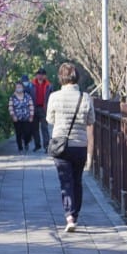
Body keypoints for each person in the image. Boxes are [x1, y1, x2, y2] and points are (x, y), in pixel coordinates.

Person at [46, 62, 95, 232]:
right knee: (77, 180)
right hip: (80, 145)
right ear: (77, 77)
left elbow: (50, 120)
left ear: (61, 77)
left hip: (60, 146)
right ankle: (75, 214)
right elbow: (90, 121)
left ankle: (69, 217)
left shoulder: (54, 96)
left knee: (65, 181)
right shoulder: (85, 97)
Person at [30, 67, 53, 151]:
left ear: (45, 76)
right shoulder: (31, 85)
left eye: (42, 74)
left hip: (44, 108)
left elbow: (51, 97)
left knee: (44, 127)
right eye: (39, 74)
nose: (40, 76)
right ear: (36, 75)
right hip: (34, 107)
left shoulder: (49, 85)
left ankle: (46, 145)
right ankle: (37, 145)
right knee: (34, 127)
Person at [8, 81, 34, 152]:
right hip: (17, 118)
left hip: (26, 117)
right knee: (18, 133)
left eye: (20, 87)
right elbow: (10, 107)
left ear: (23, 88)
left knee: (27, 132)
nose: (19, 88)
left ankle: (26, 142)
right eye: (17, 87)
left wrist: (31, 116)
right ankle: (20, 147)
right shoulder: (12, 97)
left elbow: (31, 106)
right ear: (15, 88)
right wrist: (13, 116)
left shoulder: (28, 96)